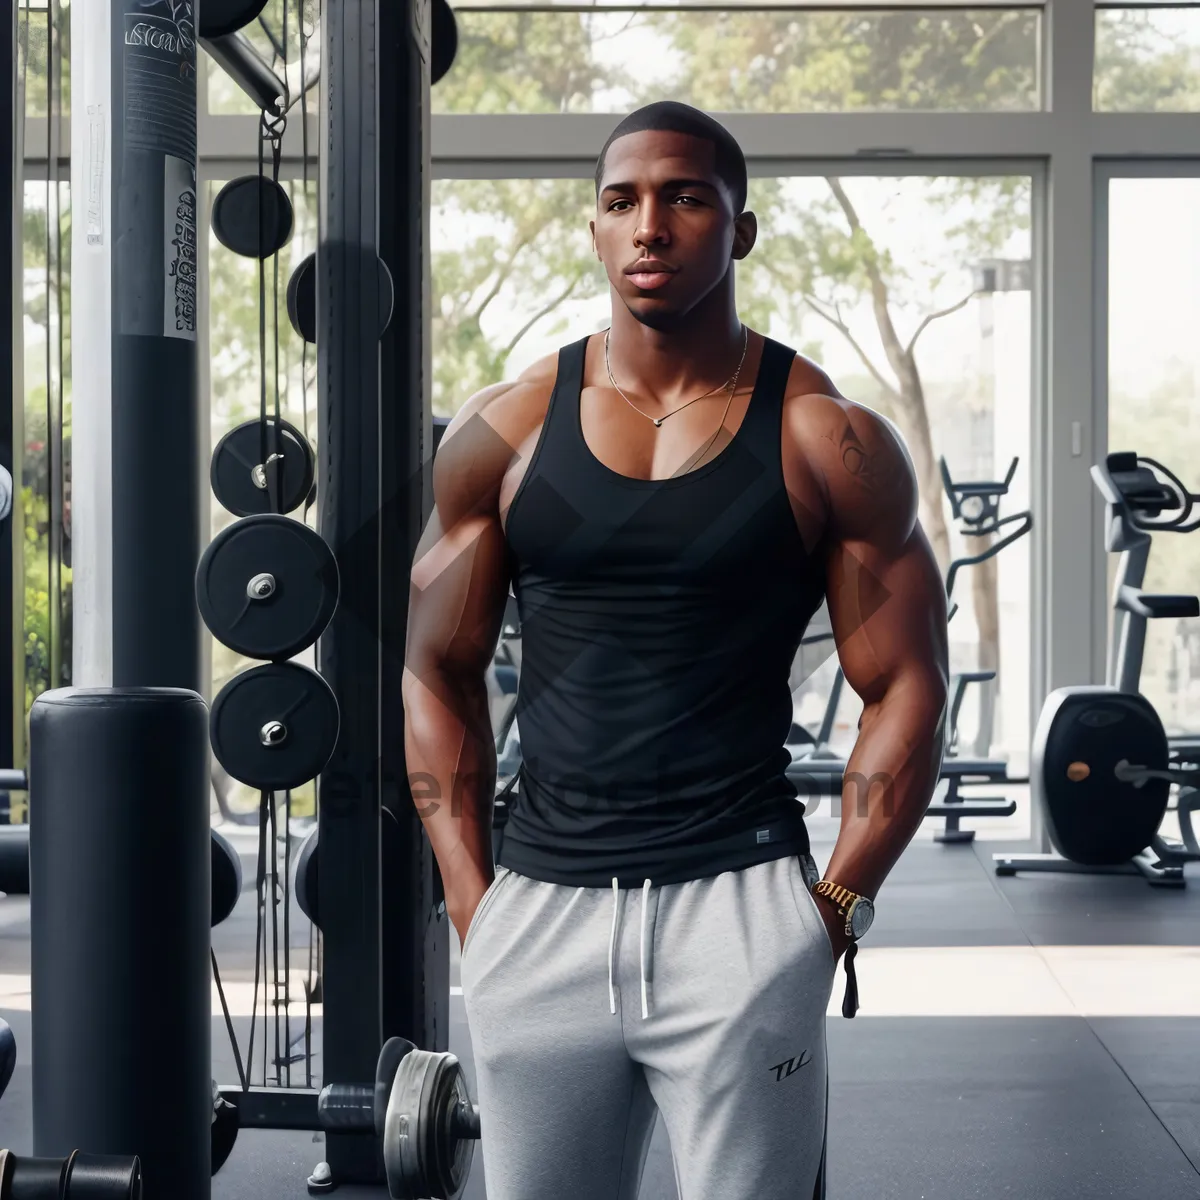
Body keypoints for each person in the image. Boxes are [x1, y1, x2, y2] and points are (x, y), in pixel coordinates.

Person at [403, 101, 949, 1200]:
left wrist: (832, 910)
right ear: (596, 231)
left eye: (686, 197)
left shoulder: (826, 439)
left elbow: (906, 688)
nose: (650, 225)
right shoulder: (503, 433)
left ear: (741, 229)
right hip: (541, 913)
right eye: (622, 202)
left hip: (739, 905)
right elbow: (433, 670)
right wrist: (477, 904)